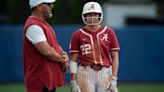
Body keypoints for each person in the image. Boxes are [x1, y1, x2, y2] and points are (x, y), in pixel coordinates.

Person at [69, 1, 120, 92]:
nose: (92, 17)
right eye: (89, 14)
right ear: (84, 16)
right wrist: (73, 81)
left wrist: (114, 78)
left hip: (105, 71)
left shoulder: (109, 32)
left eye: (95, 14)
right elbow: (73, 60)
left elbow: (115, 56)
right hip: (85, 71)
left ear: (99, 15)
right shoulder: (77, 34)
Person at [23, 0, 69, 92]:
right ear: (39, 6)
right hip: (39, 81)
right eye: (48, 4)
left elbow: (54, 45)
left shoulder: (43, 24)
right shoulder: (33, 26)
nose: (52, 6)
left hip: (46, 79)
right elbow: (47, 51)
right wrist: (62, 60)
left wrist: (64, 54)